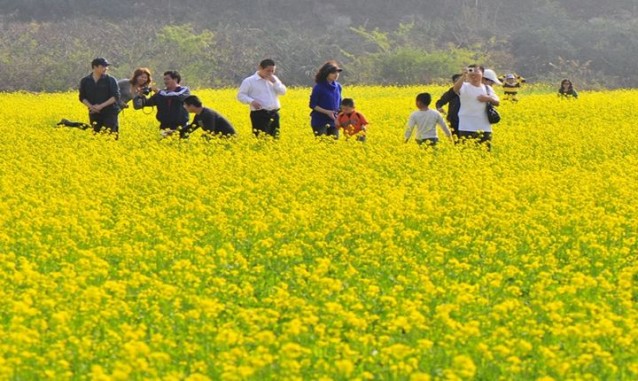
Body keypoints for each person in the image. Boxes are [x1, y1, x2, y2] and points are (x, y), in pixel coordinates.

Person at [453, 64, 500, 151]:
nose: (473, 74)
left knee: (485, 154)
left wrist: (488, 98)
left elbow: (497, 102)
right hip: (466, 127)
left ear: (482, 73)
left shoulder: (487, 88)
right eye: (471, 71)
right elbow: (455, 89)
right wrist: (463, 76)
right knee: (466, 154)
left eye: (476, 71)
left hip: (485, 127)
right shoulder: (464, 86)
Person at [237, 59, 287, 138]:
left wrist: (275, 83)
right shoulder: (249, 81)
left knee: (275, 138)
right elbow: (241, 95)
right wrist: (252, 101)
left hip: (274, 114)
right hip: (259, 114)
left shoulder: (274, 79)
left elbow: (283, 92)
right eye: (268, 71)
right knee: (261, 138)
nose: (270, 73)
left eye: (272, 71)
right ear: (260, 68)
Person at [134, 70, 190, 137]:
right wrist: (139, 95)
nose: (165, 81)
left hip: (181, 126)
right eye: (164, 79)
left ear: (175, 79)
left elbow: (177, 96)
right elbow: (142, 104)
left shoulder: (184, 90)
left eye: (167, 79)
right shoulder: (161, 93)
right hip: (164, 127)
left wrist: (159, 92)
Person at [78, 57, 121, 137]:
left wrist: (100, 106)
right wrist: (91, 107)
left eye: (106, 67)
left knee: (110, 136)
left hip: (109, 113)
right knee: (96, 136)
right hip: (94, 113)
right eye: (103, 67)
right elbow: (82, 97)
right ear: (95, 67)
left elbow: (115, 96)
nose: (106, 69)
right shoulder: (85, 81)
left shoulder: (111, 80)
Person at [309, 60, 343, 138]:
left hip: (333, 121)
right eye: (333, 72)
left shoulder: (338, 87)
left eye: (337, 72)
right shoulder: (318, 87)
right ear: (326, 73)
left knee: (334, 145)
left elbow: (340, 104)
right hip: (320, 121)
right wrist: (327, 112)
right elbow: (312, 105)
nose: (336, 75)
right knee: (322, 145)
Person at [436, 73, 462, 141]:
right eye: (458, 81)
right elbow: (440, 102)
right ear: (454, 83)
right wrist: (439, 108)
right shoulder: (451, 93)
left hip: (466, 121)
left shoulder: (469, 92)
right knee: (456, 141)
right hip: (454, 121)